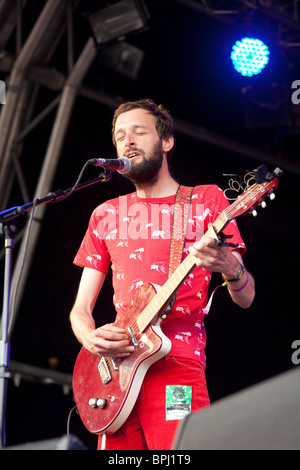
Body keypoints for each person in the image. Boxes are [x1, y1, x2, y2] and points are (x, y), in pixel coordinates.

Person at [70, 99, 255, 450]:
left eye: (139, 132)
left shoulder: (205, 201)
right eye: (121, 136)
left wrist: (231, 268)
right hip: (117, 376)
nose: (128, 141)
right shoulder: (105, 213)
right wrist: (90, 338)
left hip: (177, 371)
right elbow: (81, 309)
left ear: (166, 141)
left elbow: (246, 298)